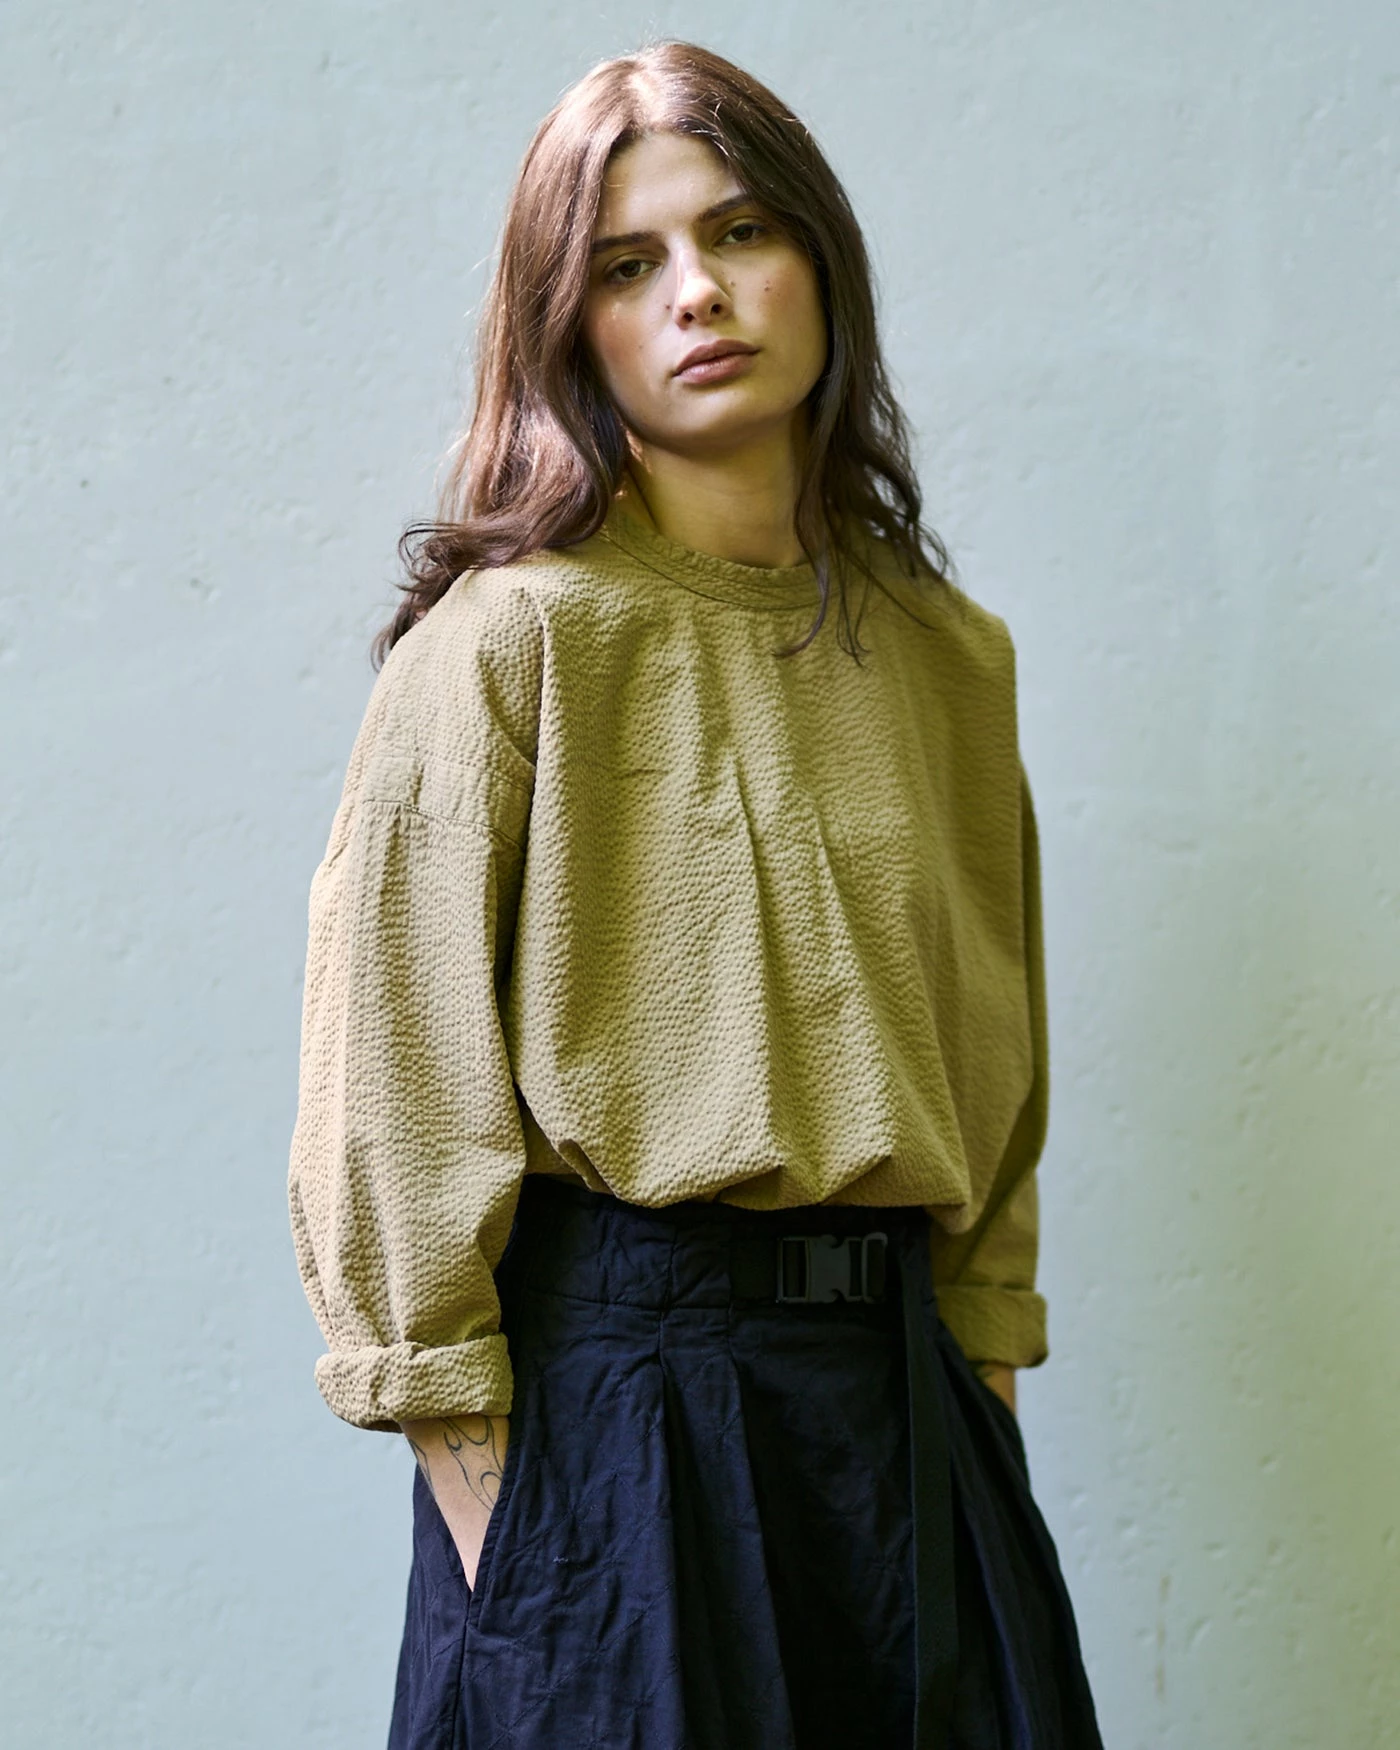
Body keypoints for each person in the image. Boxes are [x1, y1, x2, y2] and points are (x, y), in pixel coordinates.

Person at [287, 37, 1105, 1750]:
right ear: (566, 325)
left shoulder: (948, 658)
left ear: (821, 259)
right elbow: (394, 1097)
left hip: (904, 1420)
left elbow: (989, 1062)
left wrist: (978, 1401)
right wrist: (511, 1530)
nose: (698, 293)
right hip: (619, 1429)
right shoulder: (508, 646)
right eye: (626, 264)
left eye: (739, 231)